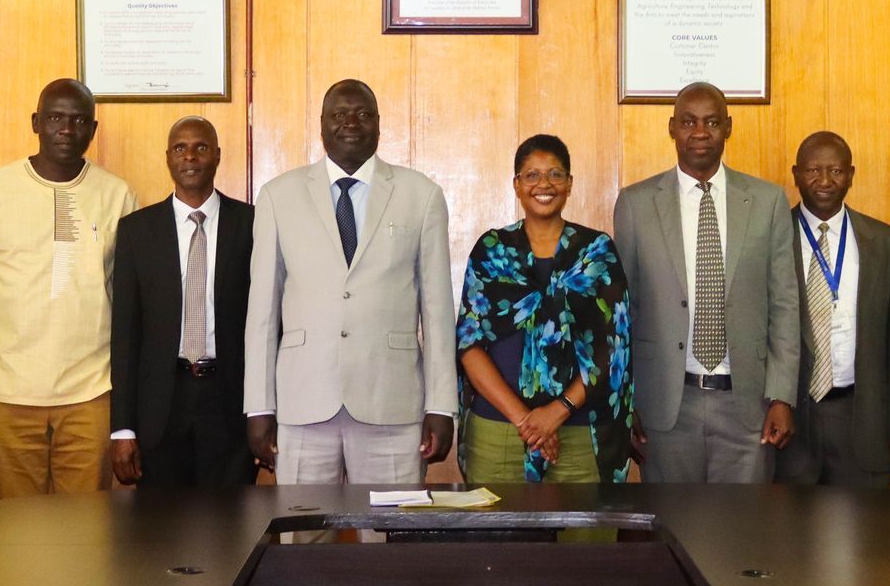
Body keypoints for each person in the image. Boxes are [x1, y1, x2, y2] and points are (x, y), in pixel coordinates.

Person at [244, 79, 456, 484]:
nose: (350, 123)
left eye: (362, 114)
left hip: (391, 405)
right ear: (321, 126)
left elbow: (438, 311)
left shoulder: (421, 195)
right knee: (302, 538)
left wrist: (441, 405)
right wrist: (259, 406)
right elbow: (262, 314)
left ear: (379, 125)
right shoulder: (278, 196)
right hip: (302, 404)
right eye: (338, 114)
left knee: (387, 541)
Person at [0, 78, 137, 498]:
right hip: (4, 393)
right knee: (18, 536)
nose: (66, 130)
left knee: (85, 534)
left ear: (93, 129)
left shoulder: (117, 195)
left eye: (78, 121)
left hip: (91, 393)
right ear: (36, 122)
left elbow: (130, 296)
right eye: (54, 118)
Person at [612, 82, 799, 483]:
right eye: (689, 122)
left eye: (712, 122)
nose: (700, 132)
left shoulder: (767, 202)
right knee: (671, 534)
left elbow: (784, 304)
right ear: (672, 128)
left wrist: (782, 396)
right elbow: (623, 313)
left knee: (743, 537)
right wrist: (626, 402)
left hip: (748, 406)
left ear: (728, 128)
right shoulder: (635, 204)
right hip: (666, 407)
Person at [456, 134, 632, 485]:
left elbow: (614, 346)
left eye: (555, 174)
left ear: (569, 184)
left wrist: (557, 411)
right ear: (516, 185)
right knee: (497, 538)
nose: (544, 184)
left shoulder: (596, 252)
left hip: (581, 431)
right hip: (499, 429)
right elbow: (469, 344)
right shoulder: (492, 250)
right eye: (531, 175)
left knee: (584, 539)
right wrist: (527, 421)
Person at [110, 116, 257, 488]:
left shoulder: (251, 225)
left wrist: (264, 412)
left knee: (231, 529)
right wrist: (122, 429)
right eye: (180, 148)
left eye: (201, 147)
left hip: (229, 401)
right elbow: (126, 336)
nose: (190, 156)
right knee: (161, 532)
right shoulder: (136, 231)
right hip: (161, 403)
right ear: (168, 158)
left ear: (218, 156)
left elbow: (268, 323)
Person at [777, 132, 890, 488]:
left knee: (864, 537)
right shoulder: (772, 237)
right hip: (791, 421)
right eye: (813, 170)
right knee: (788, 538)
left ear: (851, 174)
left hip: (861, 416)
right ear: (795, 174)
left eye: (836, 170)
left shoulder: (886, 244)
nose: (824, 181)